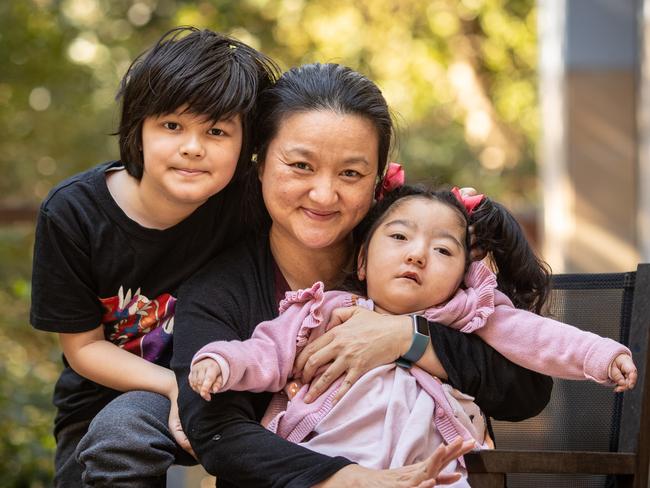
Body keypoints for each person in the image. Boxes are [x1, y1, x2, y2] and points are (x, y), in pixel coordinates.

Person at [171, 63, 554, 487]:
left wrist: (408, 338)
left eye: (350, 173)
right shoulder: (219, 289)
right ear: (259, 165)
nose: (323, 194)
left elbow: (527, 389)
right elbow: (216, 431)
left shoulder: (419, 258)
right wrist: (353, 480)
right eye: (300, 165)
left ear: (376, 181)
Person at [187, 184, 637, 485]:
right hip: (333, 462)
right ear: (362, 261)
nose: (418, 255)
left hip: (435, 470)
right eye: (399, 237)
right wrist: (222, 363)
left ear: (464, 275)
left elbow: (541, 338)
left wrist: (601, 356)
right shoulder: (321, 311)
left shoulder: (469, 317)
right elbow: (266, 351)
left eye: (443, 249)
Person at [29, 26, 278, 486]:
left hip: (229, 387)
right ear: (137, 127)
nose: (192, 147)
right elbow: (83, 348)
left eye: (217, 131)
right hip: (104, 403)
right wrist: (171, 385)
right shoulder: (74, 214)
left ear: (248, 145)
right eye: (171, 125)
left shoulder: (253, 202)